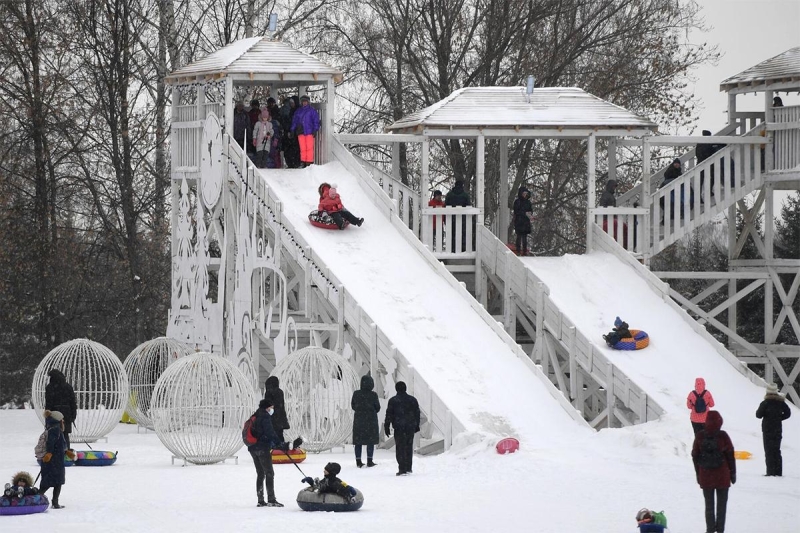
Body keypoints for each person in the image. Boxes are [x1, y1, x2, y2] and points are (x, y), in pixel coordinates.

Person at [692, 410, 735, 533]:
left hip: (706, 475)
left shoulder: (700, 435)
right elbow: (730, 455)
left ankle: (710, 530)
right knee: (722, 507)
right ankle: (720, 530)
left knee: (709, 506)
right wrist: (732, 473)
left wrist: (698, 473)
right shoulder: (723, 436)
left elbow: (695, 455)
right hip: (722, 475)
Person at [247, 399, 289, 507]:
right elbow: (270, 432)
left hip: (253, 448)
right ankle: (271, 499)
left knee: (260, 473)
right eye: (271, 408)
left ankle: (260, 500)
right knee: (269, 473)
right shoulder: (265, 416)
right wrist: (279, 443)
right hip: (262, 448)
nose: (272, 410)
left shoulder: (255, 415)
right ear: (267, 408)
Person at [384, 381, 420, 476]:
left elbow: (389, 414)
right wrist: (416, 425)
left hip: (399, 427)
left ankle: (402, 468)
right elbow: (417, 414)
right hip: (410, 427)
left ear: (396, 389)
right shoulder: (413, 400)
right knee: (409, 446)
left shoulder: (393, 401)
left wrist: (386, 426)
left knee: (400, 447)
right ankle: (408, 467)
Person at [755, 382, 791, 476]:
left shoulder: (765, 403)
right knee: (777, 450)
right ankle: (778, 472)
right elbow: (788, 413)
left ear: (767, 392)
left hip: (767, 429)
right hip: (777, 428)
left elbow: (758, 415)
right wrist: (779, 418)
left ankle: (770, 472)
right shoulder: (781, 402)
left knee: (769, 451)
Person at [39, 410, 74, 509]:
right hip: (54, 460)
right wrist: (49, 453)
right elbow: (51, 443)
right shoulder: (55, 430)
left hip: (56, 460)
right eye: (62, 420)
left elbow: (60, 444)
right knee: (53, 482)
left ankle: (52, 501)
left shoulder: (54, 428)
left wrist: (66, 452)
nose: (63, 421)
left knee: (55, 482)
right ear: (58, 420)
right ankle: (38, 499)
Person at [351, 374, 380, 468]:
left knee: (358, 442)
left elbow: (353, 406)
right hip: (371, 421)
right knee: (370, 442)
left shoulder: (356, 393)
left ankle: (358, 461)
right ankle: (369, 460)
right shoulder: (373, 395)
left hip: (359, 420)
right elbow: (377, 408)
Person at [45, 369, 77, 451]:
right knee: (65, 434)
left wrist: (47, 414)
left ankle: (54, 452)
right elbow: (73, 402)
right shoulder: (68, 387)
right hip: (67, 412)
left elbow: (49, 402)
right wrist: (73, 414)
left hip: (54, 413)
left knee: (53, 434)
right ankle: (66, 452)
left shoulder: (50, 387)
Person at [290, 95, 321, 167]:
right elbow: (295, 121)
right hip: (301, 131)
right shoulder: (298, 111)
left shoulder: (312, 111)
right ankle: (303, 161)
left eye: (305, 101)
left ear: (308, 102)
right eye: (303, 102)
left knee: (309, 148)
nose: (304, 103)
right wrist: (292, 129)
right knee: (302, 148)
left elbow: (316, 121)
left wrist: (315, 129)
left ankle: (309, 162)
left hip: (309, 132)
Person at [445, 180, 472, 252]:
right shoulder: (465, 195)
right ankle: (463, 249)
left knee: (452, 233)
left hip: (451, 218)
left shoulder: (450, 195)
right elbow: (468, 206)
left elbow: (446, 206)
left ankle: (452, 249)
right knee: (463, 233)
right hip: (462, 218)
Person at [263, 376, 289, 444]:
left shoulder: (269, 393)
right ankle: (281, 449)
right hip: (279, 419)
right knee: (279, 435)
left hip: (273, 418)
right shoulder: (279, 392)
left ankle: (274, 449)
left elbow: (269, 406)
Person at [512, 187, 533, 256]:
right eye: (524, 193)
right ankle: (518, 251)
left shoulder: (528, 202)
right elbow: (516, 211)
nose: (525, 195)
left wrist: (530, 214)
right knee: (519, 236)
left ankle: (524, 251)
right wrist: (524, 213)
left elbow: (531, 210)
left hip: (526, 222)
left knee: (525, 237)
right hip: (519, 221)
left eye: (526, 194)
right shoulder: (517, 201)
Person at [282, 96, 301, 168]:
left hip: (296, 133)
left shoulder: (298, 111)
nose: (291, 104)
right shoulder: (290, 111)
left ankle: (296, 163)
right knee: (289, 149)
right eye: (290, 103)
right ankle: (290, 163)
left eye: (292, 103)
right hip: (290, 132)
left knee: (296, 149)